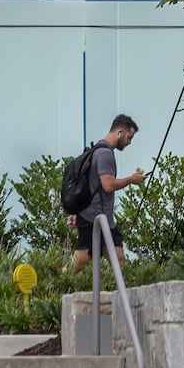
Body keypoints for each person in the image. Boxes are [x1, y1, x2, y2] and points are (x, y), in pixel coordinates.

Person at [68, 114, 146, 274]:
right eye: (129, 137)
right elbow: (108, 185)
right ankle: (55, 286)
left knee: (118, 259)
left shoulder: (97, 149)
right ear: (119, 132)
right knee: (80, 261)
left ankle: (126, 294)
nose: (129, 142)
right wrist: (131, 179)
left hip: (102, 218)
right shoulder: (105, 154)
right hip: (94, 218)